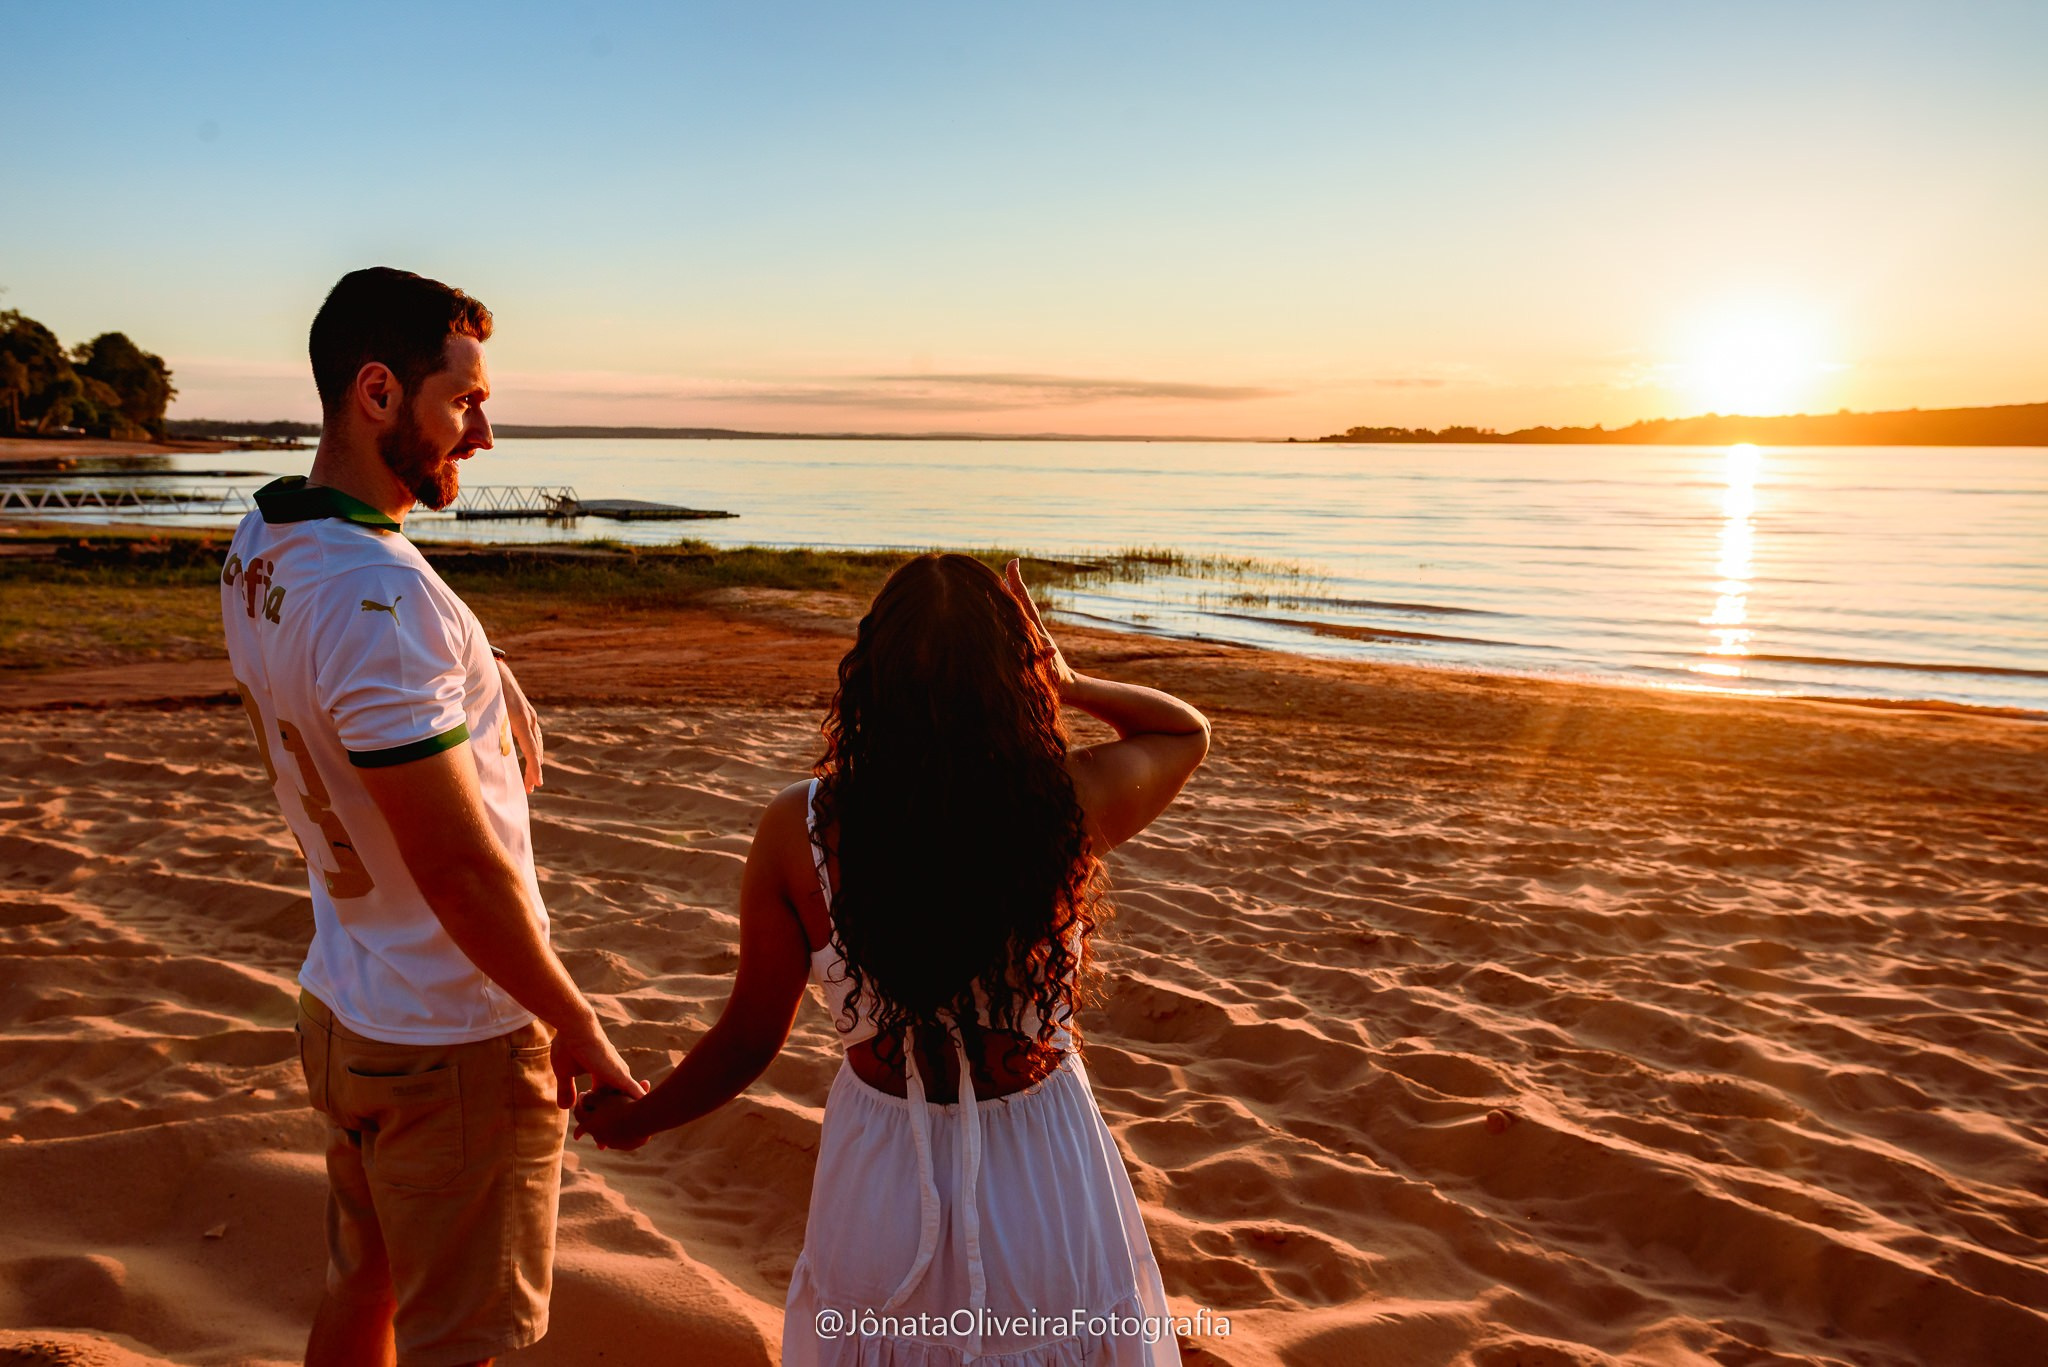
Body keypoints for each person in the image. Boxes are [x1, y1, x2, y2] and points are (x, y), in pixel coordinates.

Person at [574, 553, 1210, 1364]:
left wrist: (640, 1118)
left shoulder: (796, 830)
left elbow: (746, 1039)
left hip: (881, 1161)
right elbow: (1184, 730)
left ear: (868, 679)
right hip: (1041, 1157)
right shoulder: (1067, 801)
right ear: (1014, 681)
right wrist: (1072, 680)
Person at [220, 266, 645, 1367]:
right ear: (376, 393)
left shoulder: (265, 536)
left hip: (347, 996)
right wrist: (573, 1018)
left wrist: (484, 666)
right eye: (464, 401)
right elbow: (460, 871)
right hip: (451, 1034)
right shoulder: (383, 608)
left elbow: (358, 625)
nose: (485, 433)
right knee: (468, 1341)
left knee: (362, 1286)